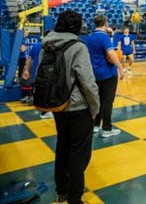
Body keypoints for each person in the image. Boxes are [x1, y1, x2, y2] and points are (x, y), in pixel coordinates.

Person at [40, 10, 100, 204]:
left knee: (62, 146)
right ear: (77, 27)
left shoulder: (46, 45)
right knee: (79, 153)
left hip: (58, 106)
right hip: (78, 107)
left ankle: (62, 190)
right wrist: (95, 108)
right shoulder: (77, 47)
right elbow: (88, 82)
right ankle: (75, 197)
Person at [86, 15, 125, 138]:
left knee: (98, 100)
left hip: (95, 74)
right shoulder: (104, 37)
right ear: (105, 23)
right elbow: (111, 54)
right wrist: (120, 68)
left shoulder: (90, 37)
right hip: (108, 74)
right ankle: (107, 129)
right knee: (108, 102)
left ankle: (96, 125)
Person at [22, 30, 53, 119]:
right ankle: (45, 112)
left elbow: (28, 59)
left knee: (41, 91)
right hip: (45, 74)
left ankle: (44, 110)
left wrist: (26, 70)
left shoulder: (36, 45)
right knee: (47, 92)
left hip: (36, 73)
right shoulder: (48, 46)